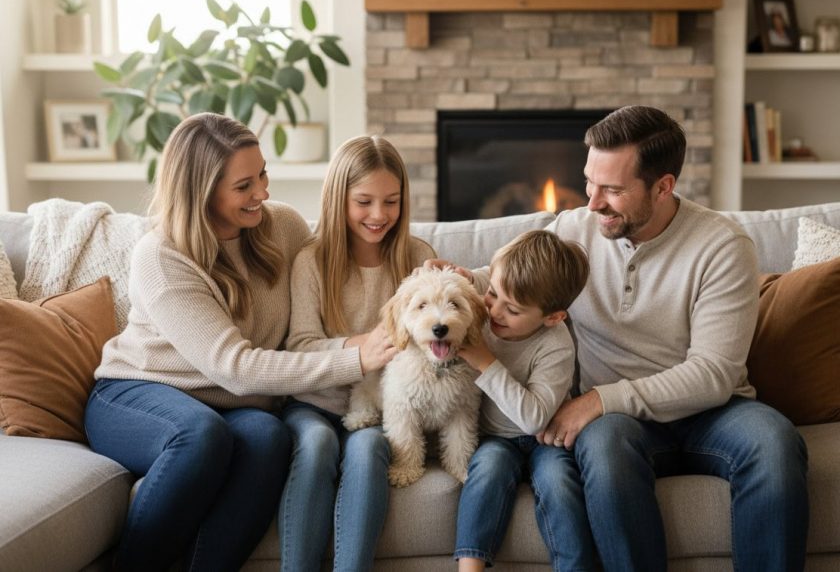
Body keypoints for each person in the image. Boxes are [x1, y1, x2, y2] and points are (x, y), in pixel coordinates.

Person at [84, 113, 396, 572]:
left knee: (270, 436)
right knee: (200, 436)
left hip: (230, 405)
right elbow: (234, 367)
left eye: (263, 174)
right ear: (202, 190)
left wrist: (453, 279)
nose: (263, 194)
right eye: (244, 186)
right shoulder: (161, 257)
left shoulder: (283, 226)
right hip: (137, 394)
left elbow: (341, 273)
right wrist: (355, 357)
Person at [535, 105, 809, 571]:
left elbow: (713, 375)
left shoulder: (722, 246)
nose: (592, 202)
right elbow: (513, 282)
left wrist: (599, 399)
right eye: (589, 181)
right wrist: (461, 280)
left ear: (663, 186)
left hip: (711, 413)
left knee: (774, 443)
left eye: (613, 189)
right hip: (623, 422)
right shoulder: (572, 232)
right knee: (603, 446)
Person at [281, 135, 436, 571]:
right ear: (338, 199)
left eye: (391, 201)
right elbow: (300, 346)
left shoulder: (417, 256)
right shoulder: (311, 261)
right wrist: (363, 347)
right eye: (364, 201)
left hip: (386, 406)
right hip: (317, 403)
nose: (379, 215)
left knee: (368, 451)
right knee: (314, 445)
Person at [453, 230, 595, 572]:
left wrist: (485, 361)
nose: (495, 312)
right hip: (494, 439)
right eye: (491, 294)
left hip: (544, 439)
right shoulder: (484, 309)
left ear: (553, 316)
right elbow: (481, 282)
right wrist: (466, 279)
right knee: (485, 474)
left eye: (512, 309)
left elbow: (533, 418)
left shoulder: (556, 344)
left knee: (560, 485)